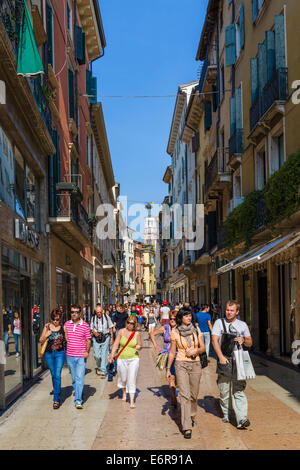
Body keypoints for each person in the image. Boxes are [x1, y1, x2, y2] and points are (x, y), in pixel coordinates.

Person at [211, 300, 253, 429]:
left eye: (232, 310)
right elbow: (214, 341)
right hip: (225, 358)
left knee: (238, 389)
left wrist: (243, 340)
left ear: (237, 312)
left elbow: (250, 343)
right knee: (224, 390)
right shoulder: (219, 323)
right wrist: (221, 357)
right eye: (227, 310)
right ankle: (226, 413)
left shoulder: (242, 325)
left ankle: (242, 418)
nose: (229, 313)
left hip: (239, 359)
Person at [166, 307, 205, 439]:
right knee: (184, 395)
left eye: (190, 316)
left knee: (194, 395)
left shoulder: (196, 330)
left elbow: (203, 348)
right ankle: (187, 426)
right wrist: (168, 369)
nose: (189, 318)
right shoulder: (175, 332)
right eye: (186, 316)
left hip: (196, 364)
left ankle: (192, 415)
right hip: (181, 364)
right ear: (181, 318)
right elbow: (172, 352)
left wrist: (195, 351)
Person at [108, 315, 142, 408]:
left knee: (131, 379)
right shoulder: (121, 332)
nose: (130, 325)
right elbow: (115, 344)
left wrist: (139, 347)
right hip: (121, 358)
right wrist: (111, 355)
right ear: (126, 322)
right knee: (123, 378)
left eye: (132, 323)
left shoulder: (137, 334)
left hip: (133, 359)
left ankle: (131, 400)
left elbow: (140, 345)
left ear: (135, 324)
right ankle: (124, 392)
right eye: (128, 322)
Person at [64, 305, 91, 409]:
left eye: (76, 312)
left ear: (80, 313)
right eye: (72, 312)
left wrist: (87, 351)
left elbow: (88, 340)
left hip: (80, 356)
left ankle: (78, 400)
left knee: (80, 377)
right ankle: (79, 391)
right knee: (74, 378)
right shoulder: (67, 324)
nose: (74, 314)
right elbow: (66, 337)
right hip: (70, 355)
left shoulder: (85, 325)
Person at [150, 311, 178, 407]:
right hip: (168, 356)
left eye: (174, 319)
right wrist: (156, 345)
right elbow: (152, 334)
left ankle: (176, 393)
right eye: (171, 319)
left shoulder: (180, 329)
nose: (172, 321)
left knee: (178, 379)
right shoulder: (165, 327)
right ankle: (174, 397)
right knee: (171, 377)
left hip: (179, 356)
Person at [39, 309, 66, 409]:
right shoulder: (47, 327)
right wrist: (46, 335)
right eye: (54, 319)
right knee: (53, 374)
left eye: (57, 319)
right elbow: (41, 340)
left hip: (60, 354)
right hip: (49, 354)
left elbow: (67, 339)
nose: (55, 321)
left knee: (57, 375)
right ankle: (56, 389)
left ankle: (56, 399)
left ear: (60, 319)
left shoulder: (63, 328)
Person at [90, 304, 114, 378]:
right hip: (96, 338)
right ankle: (100, 366)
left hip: (106, 337)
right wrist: (95, 333)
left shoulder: (107, 317)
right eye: (97, 312)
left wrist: (112, 338)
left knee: (104, 354)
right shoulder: (93, 318)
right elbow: (91, 328)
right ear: (96, 312)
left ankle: (103, 371)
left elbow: (110, 327)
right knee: (96, 355)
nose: (99, 313)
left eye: (100, 312)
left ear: (102, 311)